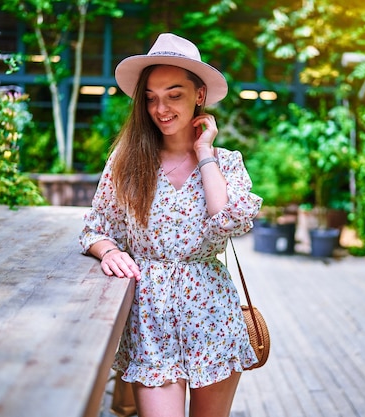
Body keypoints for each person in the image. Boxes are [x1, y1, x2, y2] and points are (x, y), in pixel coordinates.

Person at [79, 33, 262, 417]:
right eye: (151, 97)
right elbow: (95, 227)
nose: (160, 108)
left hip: (212, 316)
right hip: (150, 319)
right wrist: (109, 251)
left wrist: (204, 151)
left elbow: (226, 221)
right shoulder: (127, 162)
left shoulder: (226, 162)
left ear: (199, 96)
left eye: (174, 94)